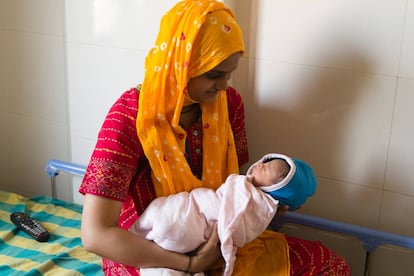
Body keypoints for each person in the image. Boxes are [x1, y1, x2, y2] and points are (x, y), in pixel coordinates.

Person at [79, 0, 351, 275]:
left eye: (230, 74)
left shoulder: (229, 104)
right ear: (182, 65)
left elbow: (236, 186)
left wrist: (267, 201)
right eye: (214, 75)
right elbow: (95, 235)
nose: (223, 85)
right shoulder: (128, 117)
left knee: (329, 264)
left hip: (218, 235)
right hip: (147, 248)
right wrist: (191, 263)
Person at [130, 153, 317, 276]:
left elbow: (240, 225)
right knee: (173, 211)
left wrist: (225, 240)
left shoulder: (261, 205)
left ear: (276, 188)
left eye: (267, 169)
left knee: (175, 221)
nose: (260, 165)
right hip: (199, 206)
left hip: (203, 222)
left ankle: (161, 234)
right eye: (264, 162)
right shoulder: (249, 188)